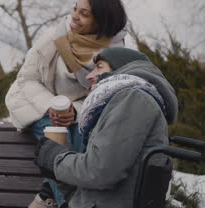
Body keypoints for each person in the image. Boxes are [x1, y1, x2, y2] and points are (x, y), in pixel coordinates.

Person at [5, 0, 128, 207]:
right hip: (33, 103)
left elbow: (104, 96)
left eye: (84, 14)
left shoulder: (115, 54)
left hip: (79, 112)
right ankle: (66, 203)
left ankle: (47, 194)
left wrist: (74, 111)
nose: (74, 16)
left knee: (82, 141)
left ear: (101, 22)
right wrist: (52, 106)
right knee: (59, 139)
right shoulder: (56, 36)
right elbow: (26, 79)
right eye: (75, 9)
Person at [34, 47, 178, 208]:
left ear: (122, 69)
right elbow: (89, 188)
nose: (89, 76)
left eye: (99, 67)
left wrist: (55, 159)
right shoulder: (117, 103)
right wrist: (55, 171)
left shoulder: (133, 98)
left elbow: (101, 171)